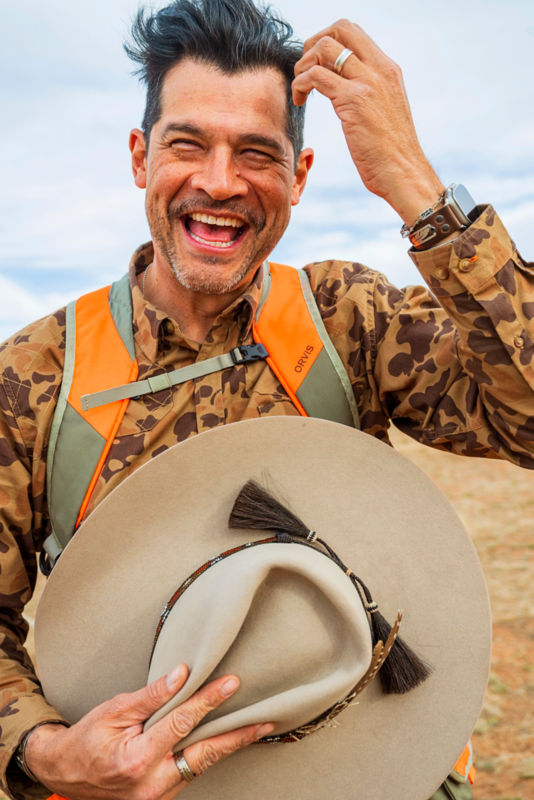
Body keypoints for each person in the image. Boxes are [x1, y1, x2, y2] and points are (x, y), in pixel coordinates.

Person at [0, 0, 531, 798]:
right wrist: (44, 753)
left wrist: (420, 192)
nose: (220, 183)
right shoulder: (37, 374)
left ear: (301, 175)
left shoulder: (348, 319)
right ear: (141, 157)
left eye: (257, 152)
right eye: (188, 144)